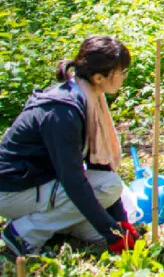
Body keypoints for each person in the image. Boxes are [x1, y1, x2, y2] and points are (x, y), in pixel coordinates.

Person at [0, 37, 140, 257]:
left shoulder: (88, 98)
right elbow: (74, 180)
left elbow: (99, 167)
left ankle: (42, 225)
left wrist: (120, 223)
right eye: (121, 72)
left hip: (42, 185)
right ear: (98, 77)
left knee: (96, 230)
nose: (124, 77)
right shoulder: (63, 112)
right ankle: (22, 233)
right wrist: (113, 233)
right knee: (109, 187)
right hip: (13, 190)